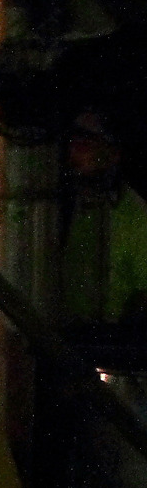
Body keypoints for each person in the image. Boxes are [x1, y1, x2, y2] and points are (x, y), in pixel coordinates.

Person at [62, 107, 147, 330]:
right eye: (72, 140)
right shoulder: (62, 206)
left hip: (107, 343)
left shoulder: (134, 216)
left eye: (86, 142)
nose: (74, 150)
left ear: (113, 151)